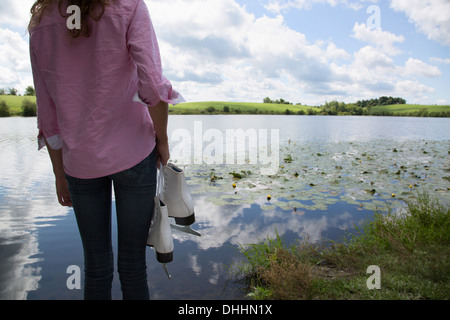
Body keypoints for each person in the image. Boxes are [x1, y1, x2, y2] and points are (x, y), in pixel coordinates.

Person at [28, 0, 184, 300]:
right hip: (135, 155)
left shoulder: (41, 21)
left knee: (96, 268)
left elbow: (47, 113)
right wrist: (162, 140)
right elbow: (151, 84)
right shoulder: (129, 5)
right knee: (133, 265)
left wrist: (60, 175)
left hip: (79, 164)